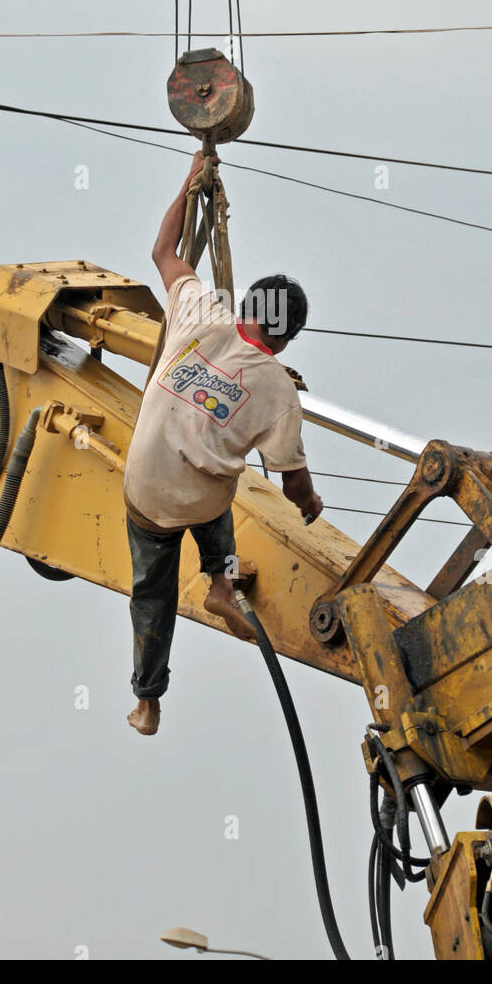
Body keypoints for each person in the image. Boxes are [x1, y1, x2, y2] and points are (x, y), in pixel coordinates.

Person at [122, 150, 323, 735]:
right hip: (199, 498)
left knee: (150, 596)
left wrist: (190, 183)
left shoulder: (199, 311)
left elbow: (164, 252)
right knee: (218, 489)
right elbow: (291, 481)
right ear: (286, 340)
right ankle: (221, 581)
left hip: (145, 485)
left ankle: (147, 700)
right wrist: (309, 507)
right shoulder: (279, 390)